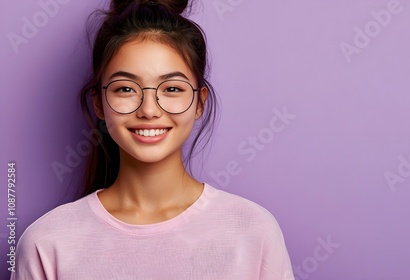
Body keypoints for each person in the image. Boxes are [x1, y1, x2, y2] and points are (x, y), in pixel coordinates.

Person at [11, 0, 294, 279]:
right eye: (125, 89)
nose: (148, 110)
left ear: (199, 102)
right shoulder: (47, 244)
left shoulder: (253, 232)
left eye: (171, 88)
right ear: (99, 102)